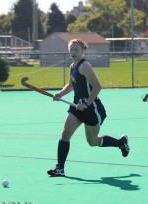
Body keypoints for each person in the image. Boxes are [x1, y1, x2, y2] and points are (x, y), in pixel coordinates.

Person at [47, 39, 130, 177]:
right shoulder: (72, 66)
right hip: (76, 107)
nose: (73, 52)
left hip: (91, 109)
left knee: (93, 142)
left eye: (76, 50)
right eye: (71, 49)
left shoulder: (85, 66)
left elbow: (97, 87)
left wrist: (86, 104)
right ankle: (60, 168)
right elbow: (71, 85)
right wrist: (59, 94)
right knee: (65, 134)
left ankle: (121, 143)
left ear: (83, 50)